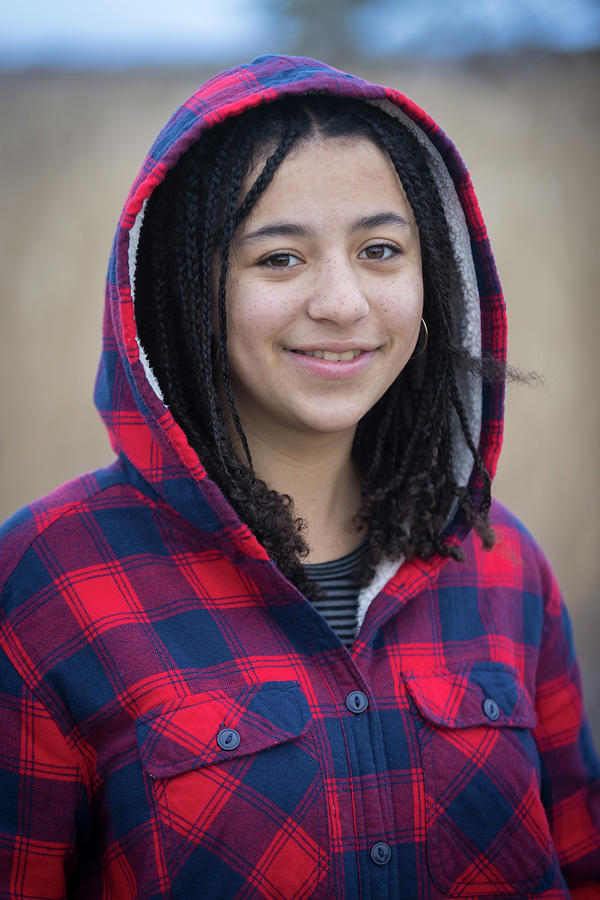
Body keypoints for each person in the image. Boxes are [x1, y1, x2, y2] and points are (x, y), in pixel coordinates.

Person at [0, 53, 598, 899]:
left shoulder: (505, 570)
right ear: (184, 290)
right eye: (280, 259)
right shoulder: (46, 584)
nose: (343, 303)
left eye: (382, 250)